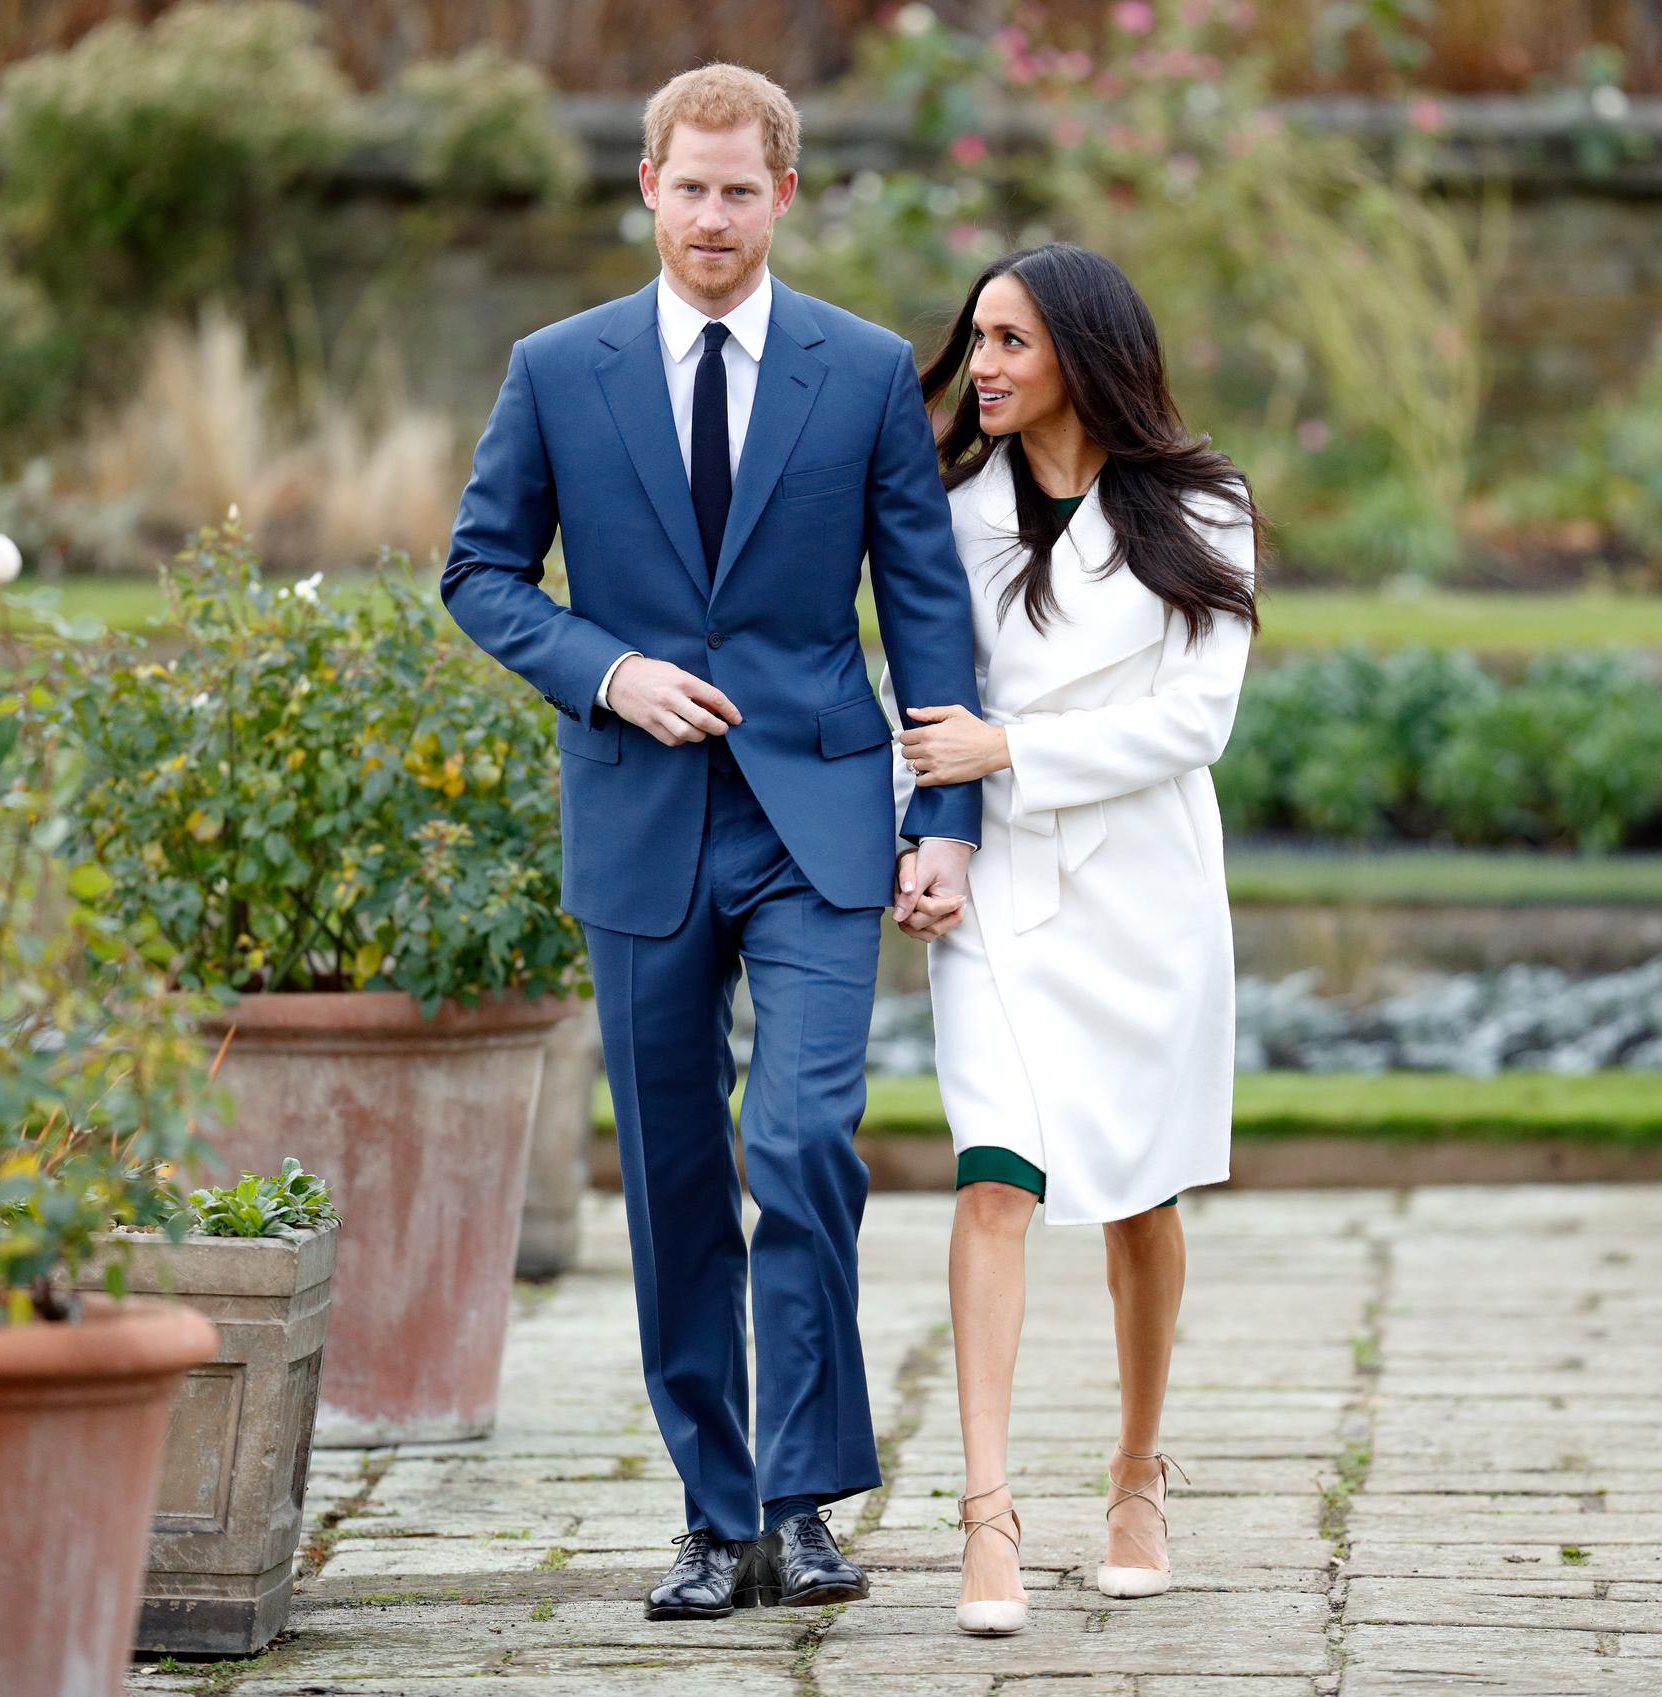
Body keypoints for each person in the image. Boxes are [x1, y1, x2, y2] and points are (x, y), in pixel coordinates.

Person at [439, 63, 983, 1623]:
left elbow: (926, 607)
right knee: (676, 1177)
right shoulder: (559, 369)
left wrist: (942, 814)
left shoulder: (867, 370)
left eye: (744, 191)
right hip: (639, 823)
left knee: (803, 1140)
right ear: (650, 185)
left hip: (819, 815)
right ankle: (710, 1508)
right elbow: (482, 572)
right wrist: (605, 668)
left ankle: (805, 1501)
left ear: (784, 198)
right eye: (692, 187)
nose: (715, 217)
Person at [881, 243, 1262, 1636]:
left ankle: (1137, 1471)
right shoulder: (947, 508)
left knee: (1144, 1196)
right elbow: (915, 695)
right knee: (996, 1178)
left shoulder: (1205, 504)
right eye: (976, 337)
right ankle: (986, 1511)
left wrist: (1013, 745)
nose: (981, 364)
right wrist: (925, 828)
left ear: (1084, 357)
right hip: (1000, 896)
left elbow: (1195, 721)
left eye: (1013, 342)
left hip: (1146, 898)